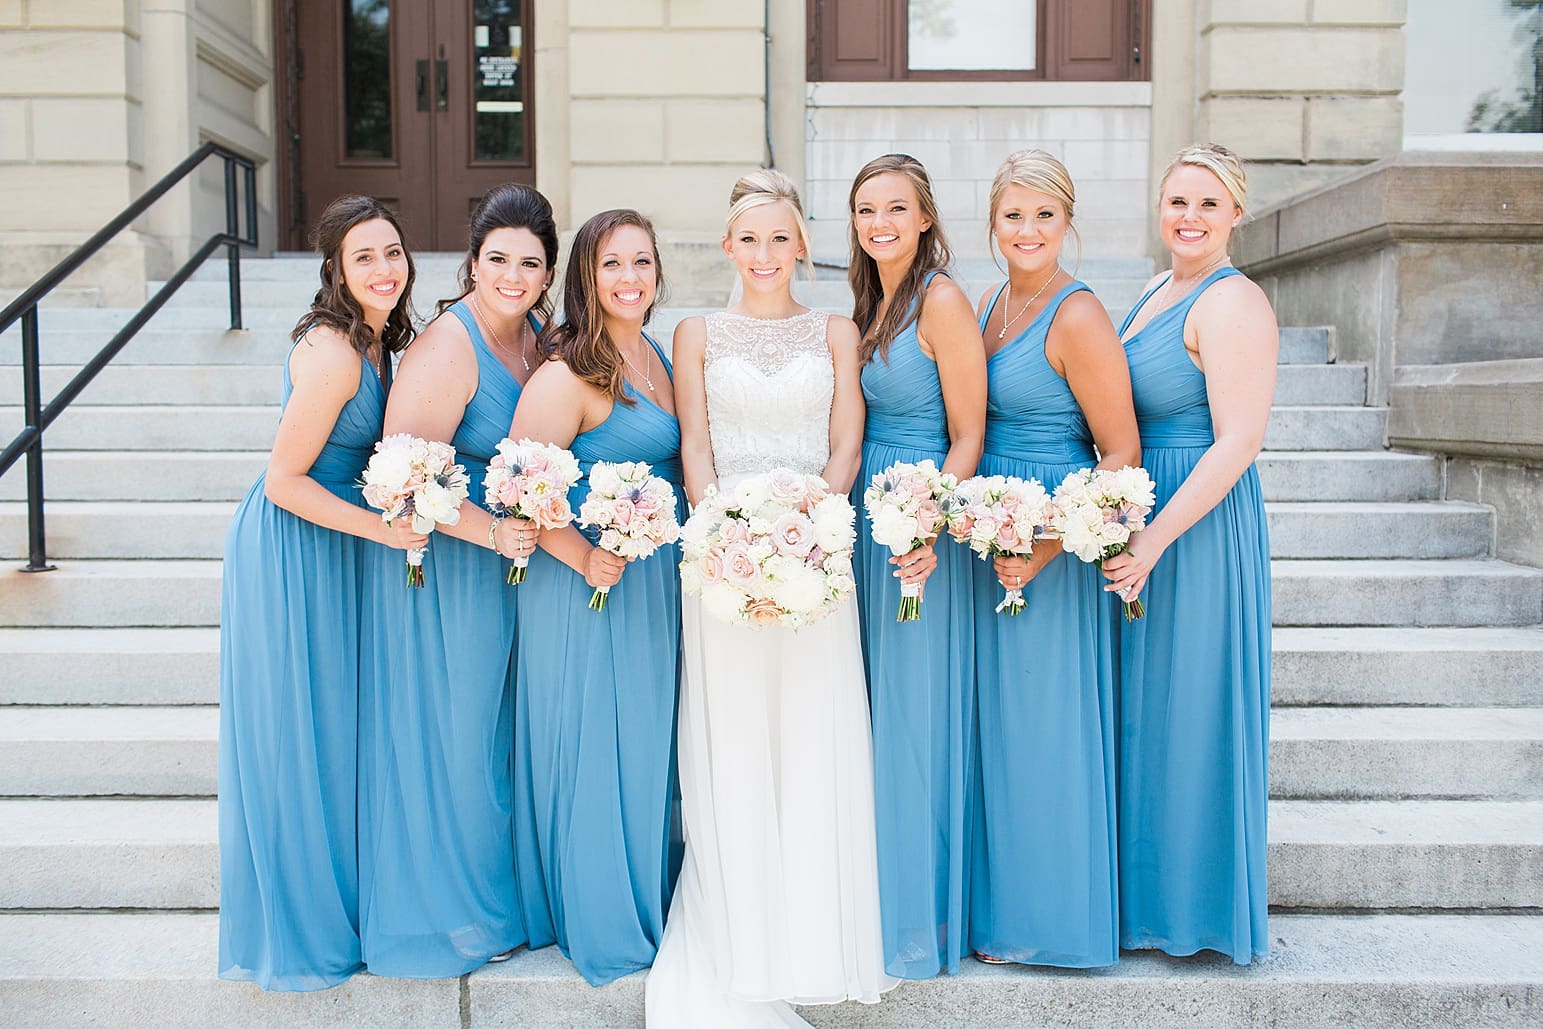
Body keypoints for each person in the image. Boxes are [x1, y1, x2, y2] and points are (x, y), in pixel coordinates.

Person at [646, 170, 897, 1026]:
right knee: (737, 735)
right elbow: (695, 443)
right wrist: (727, 539)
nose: (763, 254)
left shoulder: (837, 329)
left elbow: (847, 440)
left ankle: (814, 929)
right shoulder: (693, 333)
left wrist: (815, 527)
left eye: (779, 238)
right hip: (722, 560)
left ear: (801, 244)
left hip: (820, 556)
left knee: (812, 730)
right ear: (727, 247)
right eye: (748, 239)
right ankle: (741, 927)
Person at [219, 195, 422, 990]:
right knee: (299, 734)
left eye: (394, 252)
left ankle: (339, 908)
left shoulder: (379, 346)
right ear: (335, 268)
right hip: (293, 545)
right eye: (364, 256)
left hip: (338, 540)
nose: (383, 269)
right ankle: (300, 930)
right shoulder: (336, 353)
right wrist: (387, 531)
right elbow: (282, 480)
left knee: (334, 733)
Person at [357, 184, 554, 977]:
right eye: (497, 258)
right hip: (445, 567)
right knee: (455, 735)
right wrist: (492, 530)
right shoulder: (449, 342)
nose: (513, 274)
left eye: (530, 262)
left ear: (547, 272)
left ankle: (497, 899)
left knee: (497, 737)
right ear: (473, 262)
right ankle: (448, 917)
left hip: (509, 569)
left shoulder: (538, 336)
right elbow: (401, 474)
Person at [1104, 143, 1278, 964]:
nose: (1189, 217)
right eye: (1177, 201)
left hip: (1195, 528)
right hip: (1150, 516)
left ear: (1235, 214)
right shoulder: (1152, 292)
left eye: (1207, 204)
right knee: (1148, 712)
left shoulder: (1232, 301)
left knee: (1192, 710)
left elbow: (1239, 438)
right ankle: (1143, 899)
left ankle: (1193, 910)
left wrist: (1153, 537)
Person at [967, 150, 1139, 968]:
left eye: (1043, 215)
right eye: (1012, 215)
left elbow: (1119, 453)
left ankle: (1053, 922)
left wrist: (1040, 549)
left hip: (1049, 551)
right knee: (999, 731)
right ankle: (1000, 905)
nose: (1027, 230)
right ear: (991, 223)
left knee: (1043, 728)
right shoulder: (992, 301)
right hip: (990, 534)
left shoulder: (1075, 314)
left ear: (1067, 220)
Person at [508, 209, 683, 986]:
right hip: (588, 592)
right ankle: (601, 915)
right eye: (612, 264)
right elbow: (520, 492)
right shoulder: (567, 373)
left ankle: (651, 892)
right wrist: (585, 556)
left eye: (641, 263)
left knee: (646, 746)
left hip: (652, 586)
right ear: (584, 276)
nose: (629, 279)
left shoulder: (653, 354)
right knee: (599, 746)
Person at [847, 153, 987, 979]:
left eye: (895, 208)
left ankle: (922, 919)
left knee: (913, 715)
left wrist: (929, 523)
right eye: (866, 209)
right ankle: (879, 897)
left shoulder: (940, 300)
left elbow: (967, 430)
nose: (879, 222)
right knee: (877, 708)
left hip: (916, 528)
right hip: (872, 516)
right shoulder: (874, 300)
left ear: (926, 217)